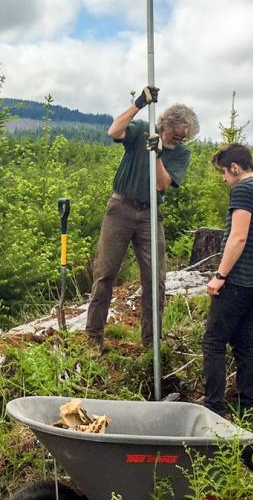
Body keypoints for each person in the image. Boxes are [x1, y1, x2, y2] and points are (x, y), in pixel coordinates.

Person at [85, 86, 199, 348]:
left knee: (155, 280)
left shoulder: (180, 153)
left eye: (185, 138)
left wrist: (158, 155)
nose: (180, 140)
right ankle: (93, 338)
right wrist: (138, 104)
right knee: (105, 275)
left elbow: (163, 185)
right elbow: (113, 131)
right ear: (165, 124)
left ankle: (151, 344)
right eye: (177, 135)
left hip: (150, 215)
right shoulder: (140, 130)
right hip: (120, 210)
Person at [203, 143, 253, 417]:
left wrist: (220, 276)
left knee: (214, 342)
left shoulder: (244, 189)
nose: (224, 178)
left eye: (224, 172)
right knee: (244, 344)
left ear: (235, 167)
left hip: (239, 282)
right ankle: (247, 408)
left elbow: (239, 236)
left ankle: (213, 409)